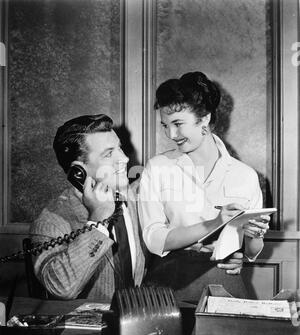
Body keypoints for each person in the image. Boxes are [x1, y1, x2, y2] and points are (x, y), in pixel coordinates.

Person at [138, 71, 270, 302]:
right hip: (167, 284)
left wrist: (252, 237)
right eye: (165, 125)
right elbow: (154, 238)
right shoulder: (157, 168)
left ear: (205, 118)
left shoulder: (245, 176)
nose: (171, 134)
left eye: (178, 124)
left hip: (225, 283)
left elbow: (252, 250)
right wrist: (214, 222)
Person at [30, 114, 147, 301]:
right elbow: (62, 287)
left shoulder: (132, 200)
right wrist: (98, 219)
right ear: (78, 171)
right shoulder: (51, 222)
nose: (124, 158)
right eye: (109, 153)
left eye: (120, 148)